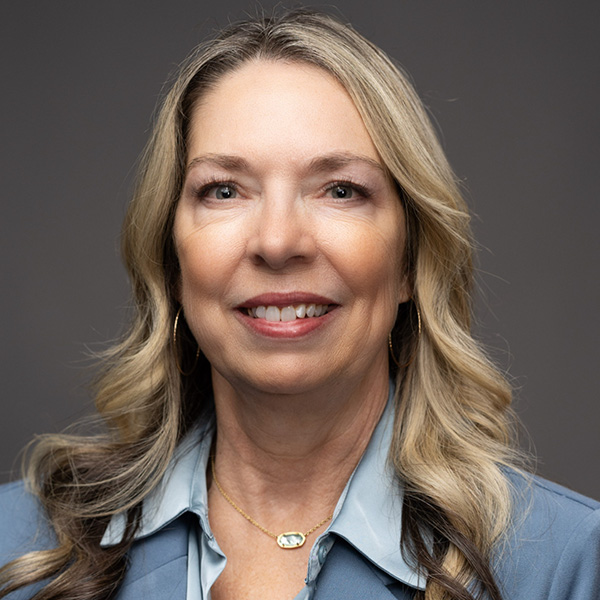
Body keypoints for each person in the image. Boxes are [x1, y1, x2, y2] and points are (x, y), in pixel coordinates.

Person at [0, 9, 598, 600]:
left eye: (340, 190)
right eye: (224, 190)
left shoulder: (569, 566)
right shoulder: (16, 549)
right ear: (172, 262)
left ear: (412, 261)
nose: (279, 242)